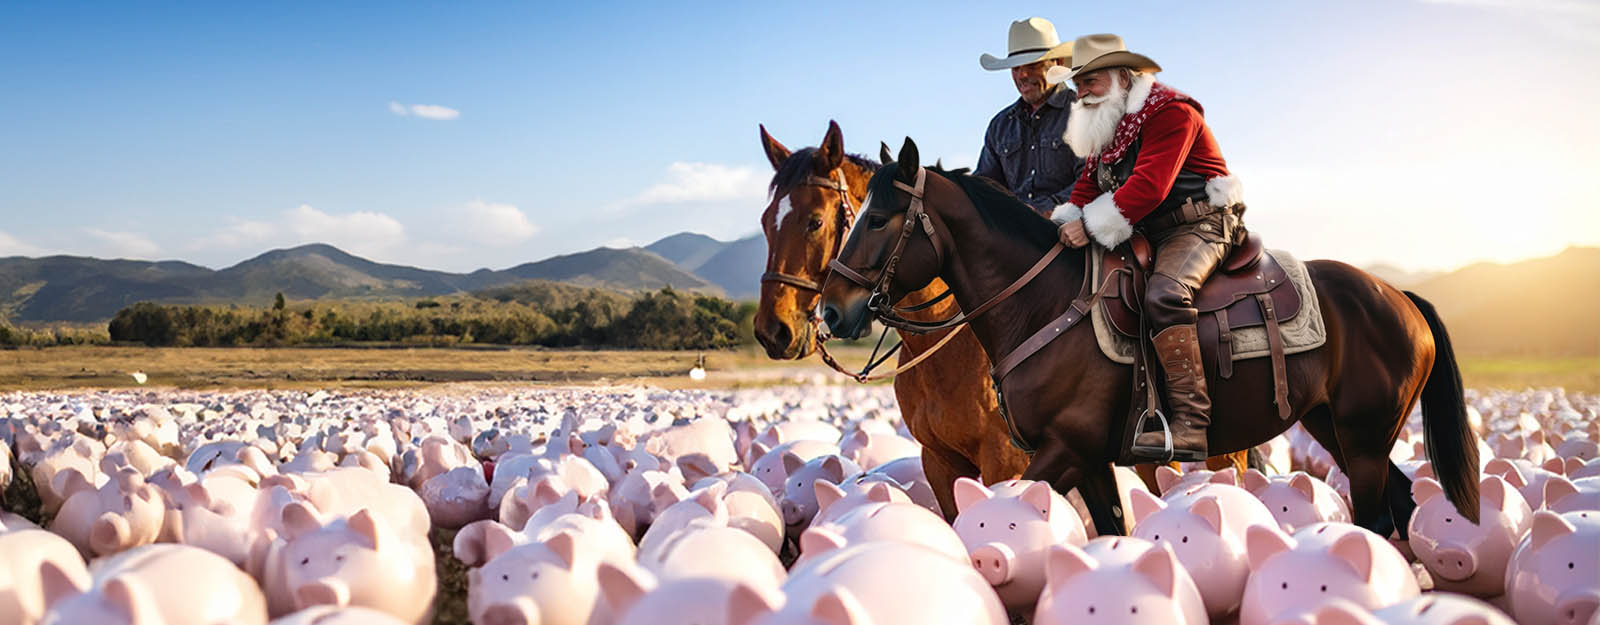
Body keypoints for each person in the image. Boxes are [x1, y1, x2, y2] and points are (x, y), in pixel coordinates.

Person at [1049, 34, 1246, 463]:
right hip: (1146, 231)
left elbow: (1149, 186)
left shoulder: (1172, 110)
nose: (1080, 92)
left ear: (1123, 76)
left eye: (1090, 81)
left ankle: (1191, 425)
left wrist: (1087, 224)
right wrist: (1061, 226)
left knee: (1165, 293)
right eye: (1076, 84)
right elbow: (1087, 186)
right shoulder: (1108, 119)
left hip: (1201, 223)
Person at [974, 17, 1085, 217]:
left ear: (1058, 64)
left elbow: (1091, 182)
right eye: (1016, 68)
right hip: (1014, 235)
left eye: (1032, 65)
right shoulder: (1000, 125)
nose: (1022, 75)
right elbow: (985, 186)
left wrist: (1040, 211)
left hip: (1072, 229)